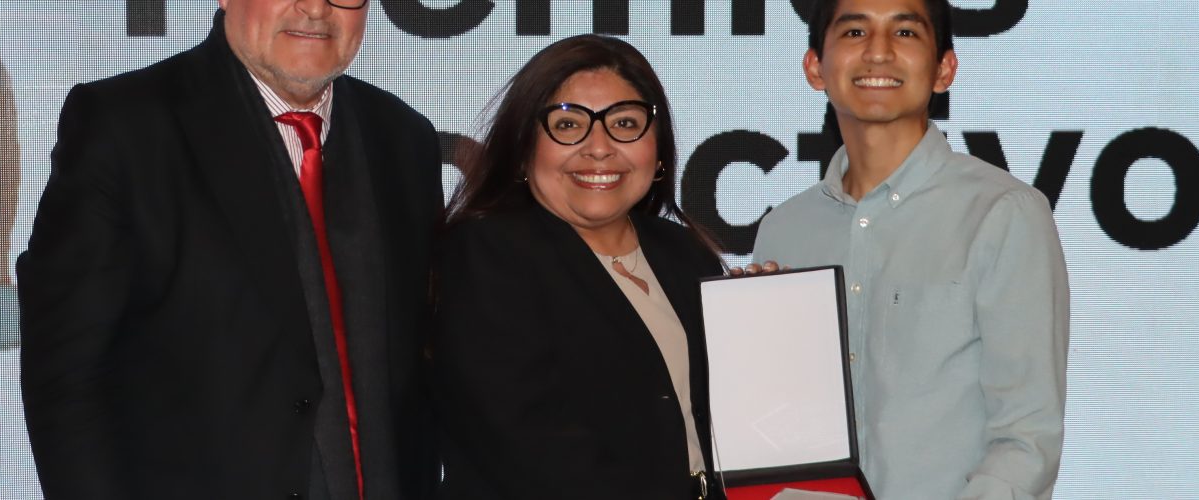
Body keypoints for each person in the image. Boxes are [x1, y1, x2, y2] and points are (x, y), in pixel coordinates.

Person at [16, 0, 441, 498]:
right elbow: (66, 381)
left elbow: (423, 377)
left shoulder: (404, 140)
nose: (315, 8)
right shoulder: (125, 128)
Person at [746, 0, 1069, 497]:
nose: (878, 52)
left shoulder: (1003, 213)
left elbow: (1026, 437)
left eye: (905, 33)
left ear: (944, 69)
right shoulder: (783, 231)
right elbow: (773, 431)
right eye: (854, 32)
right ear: (815, 67)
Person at [431, 34, 727, 500]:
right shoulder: (486, 254)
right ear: (525, 148)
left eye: (625, 123)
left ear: (658, 149)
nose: (599, 148)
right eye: (568, 125)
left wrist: (765, 324)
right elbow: (526, 445)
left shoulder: (684, 252)